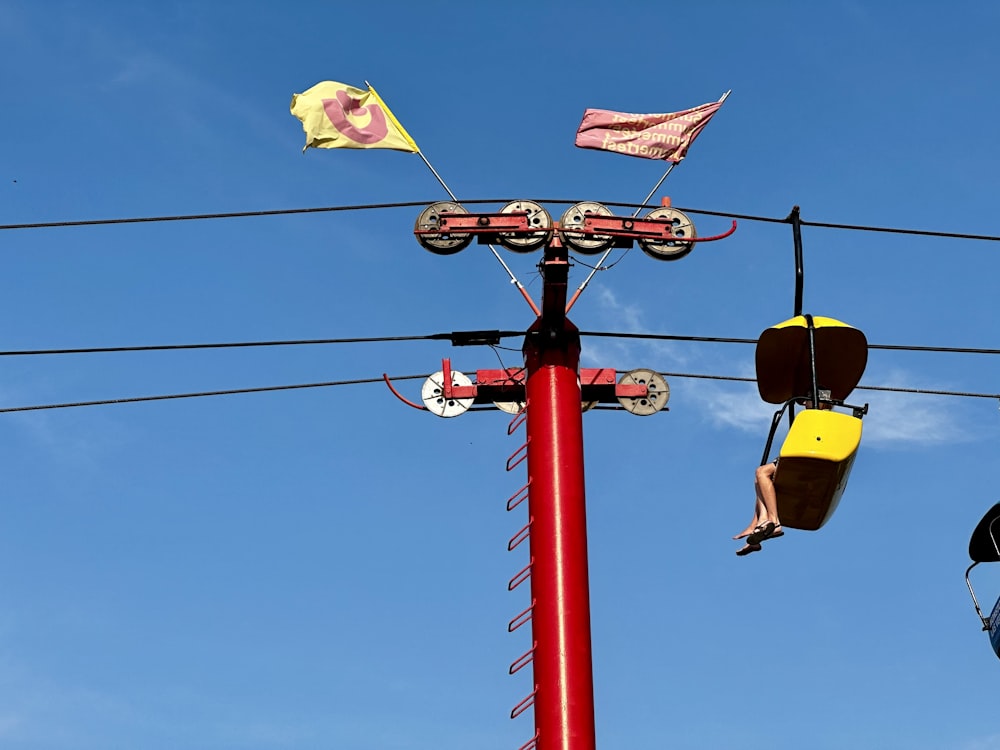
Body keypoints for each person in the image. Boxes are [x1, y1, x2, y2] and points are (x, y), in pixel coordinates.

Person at [734, 392, 832, 556]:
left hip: (805, 459)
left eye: (808, 400)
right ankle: (759, 526)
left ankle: (774, 521)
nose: (805, 404)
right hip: (798, 457)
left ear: (822, 402)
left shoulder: (823, 418)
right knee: (761, 479)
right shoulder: (809, 417)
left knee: (762, 472)